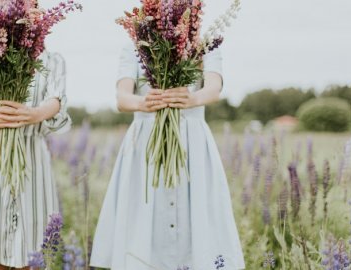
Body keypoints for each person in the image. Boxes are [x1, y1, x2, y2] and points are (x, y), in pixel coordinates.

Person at [90, 43, 246, 270]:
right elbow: (122, 98)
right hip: (146, 143)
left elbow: (214, 89)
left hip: (192, 144)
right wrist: (143, 103)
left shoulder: (206, 43)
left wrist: (192, 99)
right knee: (143, 223)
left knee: (195, 225)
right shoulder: (134, 44)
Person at [0, 52, 71, 270]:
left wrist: (35, 114)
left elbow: (57, 98)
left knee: (32, 251)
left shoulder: (53, 59)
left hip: (32, 160)